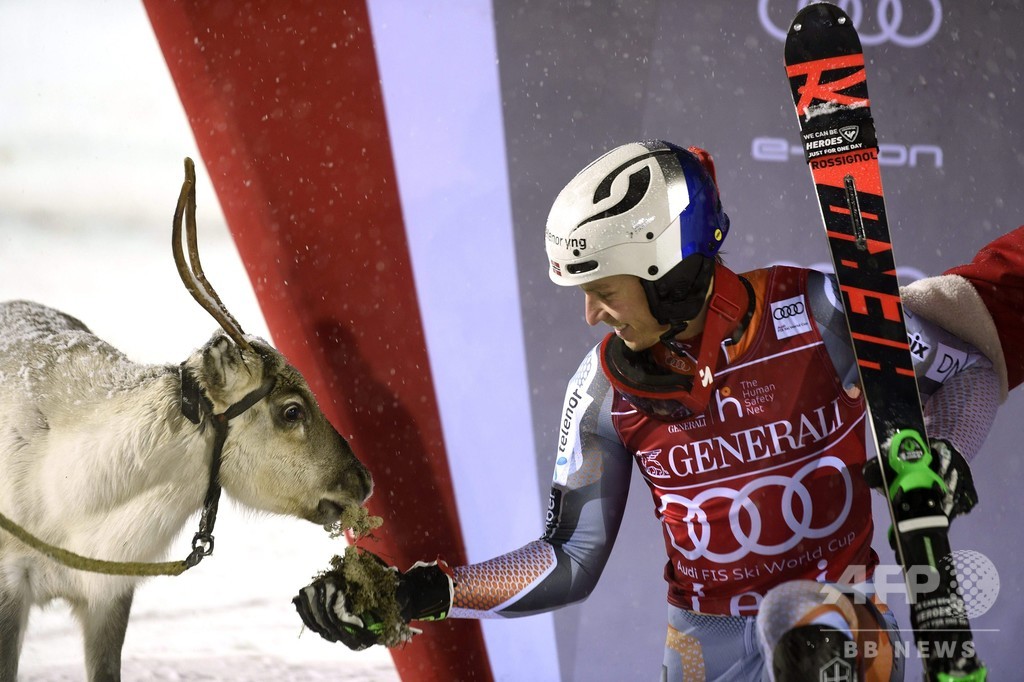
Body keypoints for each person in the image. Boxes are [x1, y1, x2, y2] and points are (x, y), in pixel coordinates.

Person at [293, 141, 1002, 680]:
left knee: (804, 628)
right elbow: (569, 556)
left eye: (605, 288)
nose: (590, 313)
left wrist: (944, 453)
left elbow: (968, 373)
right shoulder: (606, 389)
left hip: (841, 627)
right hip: (702, 651)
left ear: (666, 263)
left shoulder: (814, 312)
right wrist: (425, 591)